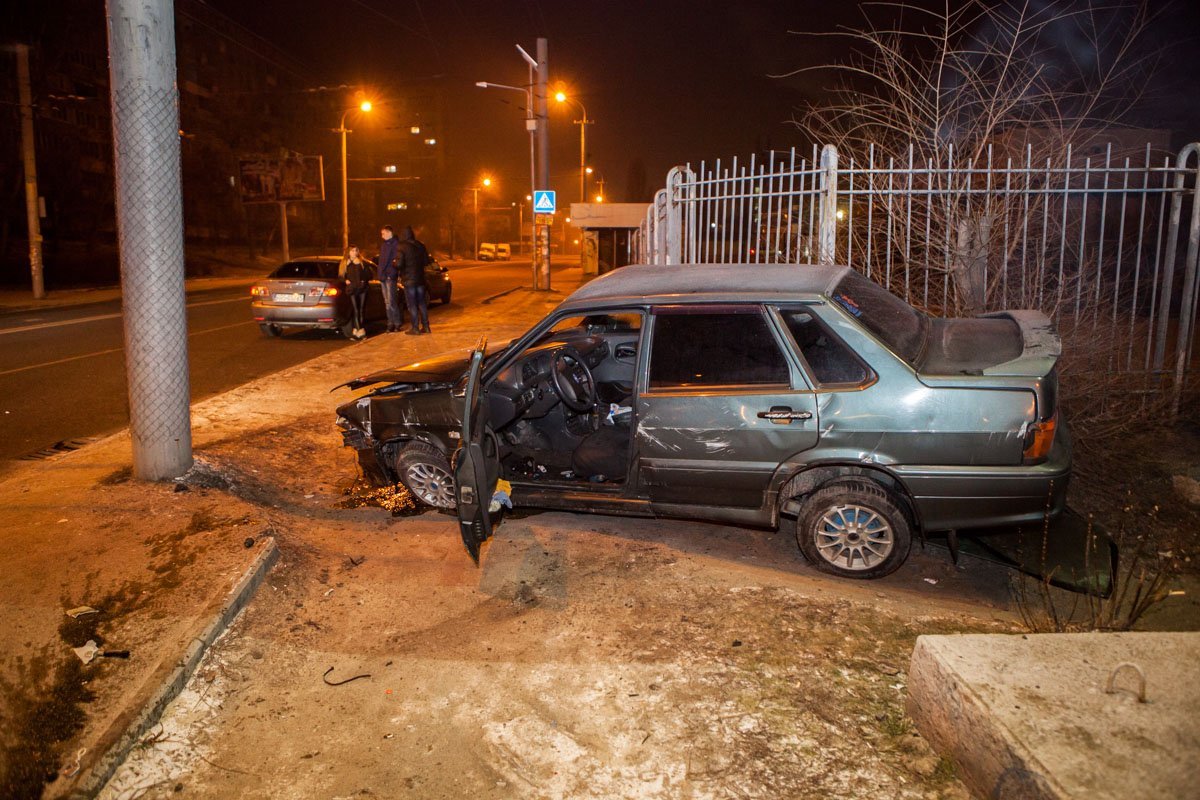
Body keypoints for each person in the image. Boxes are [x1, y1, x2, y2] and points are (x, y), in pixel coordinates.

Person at [396, 225, 431, 335]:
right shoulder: (421, 245)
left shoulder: (401, 246)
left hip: (409, 280)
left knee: (412, 304)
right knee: (422, 303)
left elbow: (399, 264)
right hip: (420, 279)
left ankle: (415, 328)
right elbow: (426, 262)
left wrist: (394, 263)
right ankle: (426, 326)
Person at [377, 225, 403, 332]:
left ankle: (397, 323)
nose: (382, 236)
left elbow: (395, 261)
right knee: (387, 301)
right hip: (383, 277)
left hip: (389, 276)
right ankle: (390, 323)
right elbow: (381, 261)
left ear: (389, 233)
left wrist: (391, 274)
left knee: (392, 301)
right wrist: (380, 274)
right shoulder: (384, 245)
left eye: (383, 233)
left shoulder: (396, 244)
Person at [344, 245, 370, 339]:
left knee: (361, 309)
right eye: (352, 251)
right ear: (348, 252)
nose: (354, 252)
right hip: (352, 288)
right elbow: (340, 275)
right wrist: (345, 280)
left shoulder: (362, 262)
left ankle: (357, 331)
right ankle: (361, 332)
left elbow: (368, 275)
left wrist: (359, 265)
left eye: (356, 250)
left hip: (362, 288)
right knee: (356, 310)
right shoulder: (345, 263)